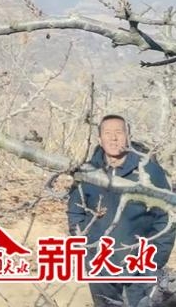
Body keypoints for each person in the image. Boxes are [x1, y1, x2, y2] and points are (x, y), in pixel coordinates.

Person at [67, 114, 175, 307]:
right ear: (99, 138)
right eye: (107, 133)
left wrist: (154, 260)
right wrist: (87, 251)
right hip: (100, 266)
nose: (113, 138)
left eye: (119, 132)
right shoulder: (88, 173)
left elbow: (167, 218)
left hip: (141, 267)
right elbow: (75, 212)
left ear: (128, 137)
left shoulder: (150, 172)